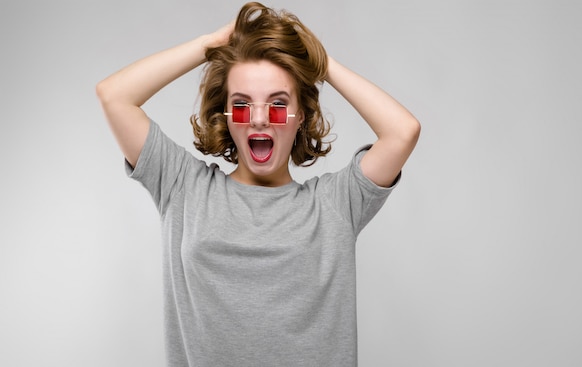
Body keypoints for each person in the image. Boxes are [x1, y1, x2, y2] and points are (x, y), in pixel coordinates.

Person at [96, 2, 420, 366]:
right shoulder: (182, 186)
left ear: (301, 119)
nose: (260, 119)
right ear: (227, 116)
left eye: (278, 105)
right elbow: (115, 96)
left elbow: (401, 132)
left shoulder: (334, 204)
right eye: (242, 104)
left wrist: (319, 64)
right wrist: (212, 43)